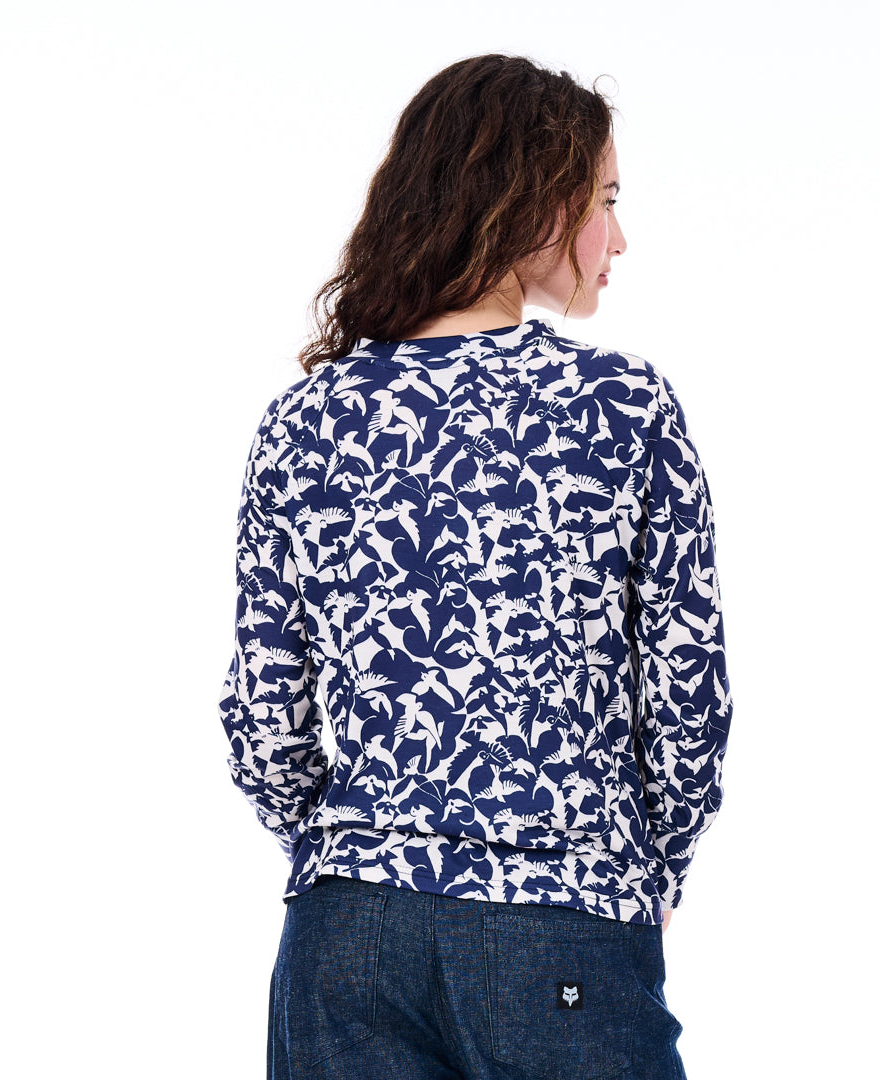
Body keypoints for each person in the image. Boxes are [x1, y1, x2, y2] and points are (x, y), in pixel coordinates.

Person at [218, 52, 733, 1080]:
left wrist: (359, 856)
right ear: (531, 203)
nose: (619, 236)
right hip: (563, 923)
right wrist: (646, 868)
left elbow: (264, 720)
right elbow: (687, 697)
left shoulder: (303, 421)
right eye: (606, 200)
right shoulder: (620, 408)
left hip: (345, 944)